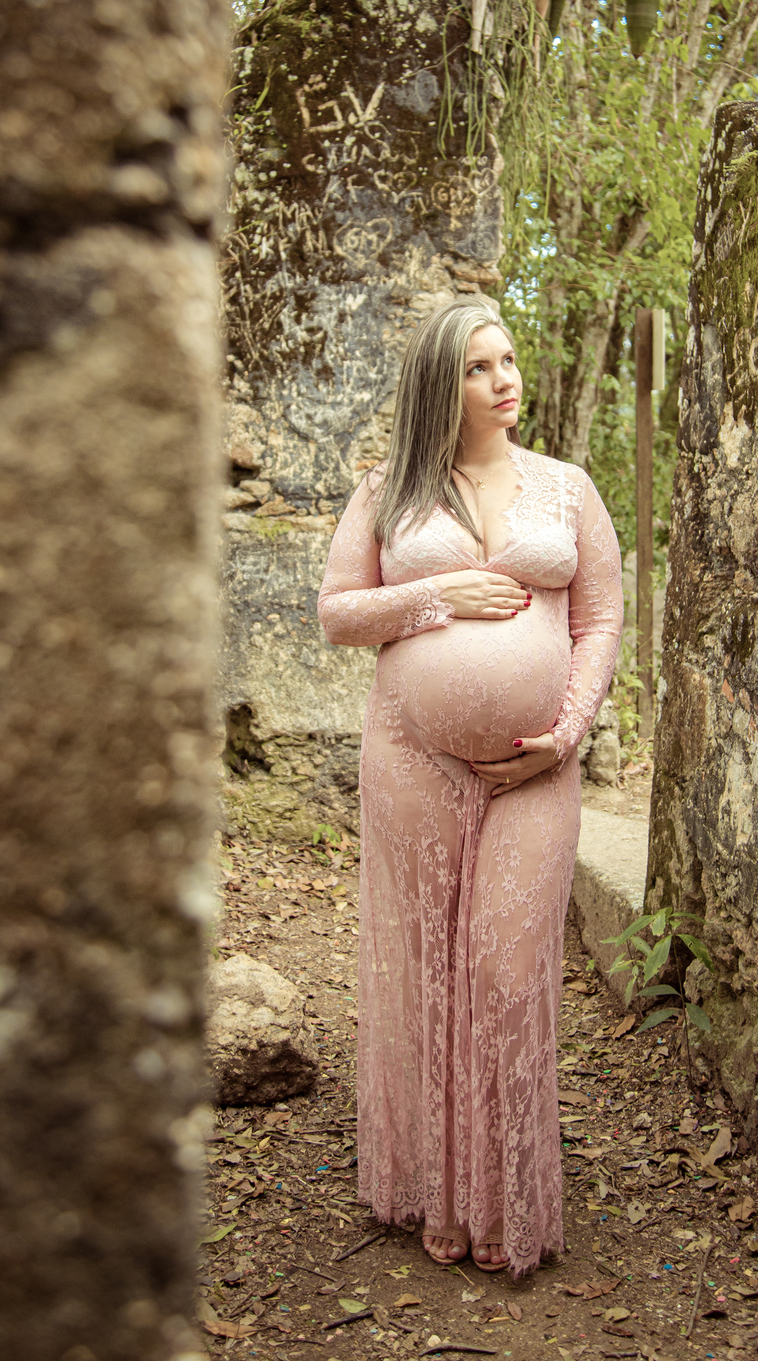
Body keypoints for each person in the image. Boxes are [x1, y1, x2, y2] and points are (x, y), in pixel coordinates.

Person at [317, 301, 623, 1279]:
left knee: (502, 969)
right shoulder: (388, 492)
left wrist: (565, 734)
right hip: (411, 754)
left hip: (537, 769)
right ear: (438, 388)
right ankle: (442, 1191)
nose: (505, 379)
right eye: (479, 367)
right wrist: (435, 598)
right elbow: (336, 615)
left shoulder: (568, 489)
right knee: (429, 970)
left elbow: (602, 621)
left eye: (510, 359)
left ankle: (507, 1195)